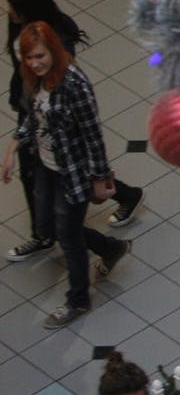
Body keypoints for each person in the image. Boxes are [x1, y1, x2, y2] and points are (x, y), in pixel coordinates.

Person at [2, 21, 132, 328]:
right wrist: (13, 146)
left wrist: (100, 178)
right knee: (48, 225)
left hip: (73, 171)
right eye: (28, 58)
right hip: (45, 164)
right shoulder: (34, 79)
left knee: (69, 236)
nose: (34, 64)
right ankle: (111, 247)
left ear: (53, 52)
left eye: (39, 56)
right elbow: (34, 117)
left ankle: (78, 300)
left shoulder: (74, 84)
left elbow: (93, 135)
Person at [5, 0, 143, 258]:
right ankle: (43, 233)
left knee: (59, 170)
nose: (8, 9)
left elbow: (62, 80)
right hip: (31, 105)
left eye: (13, 4)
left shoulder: (56, 34)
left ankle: (121, 199)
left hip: (50, 113)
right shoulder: (19, 26)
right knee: (35, 173)